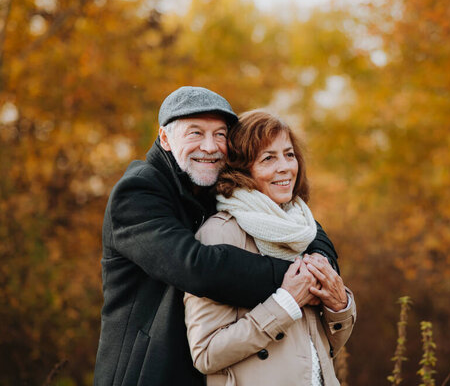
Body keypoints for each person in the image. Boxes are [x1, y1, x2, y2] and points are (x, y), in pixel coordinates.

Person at [93, 87, 340, 386]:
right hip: (148, 371)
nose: (209, 147)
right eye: (195, 133)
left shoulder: (214, 185)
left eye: (220, 135)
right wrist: (295, 280)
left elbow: (301, 228)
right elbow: (196, 267)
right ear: (166, 138)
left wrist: (322, 267)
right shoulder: (139, 192)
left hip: (209, 370)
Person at [184, 110, 356, 386]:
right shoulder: (221, 233)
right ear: (242, 170)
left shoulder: (301, 227)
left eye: (289, 154)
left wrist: (340, 306)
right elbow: (206, 353)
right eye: (268, 158)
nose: (286, 167)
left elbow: (323, 346)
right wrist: (285, 304)